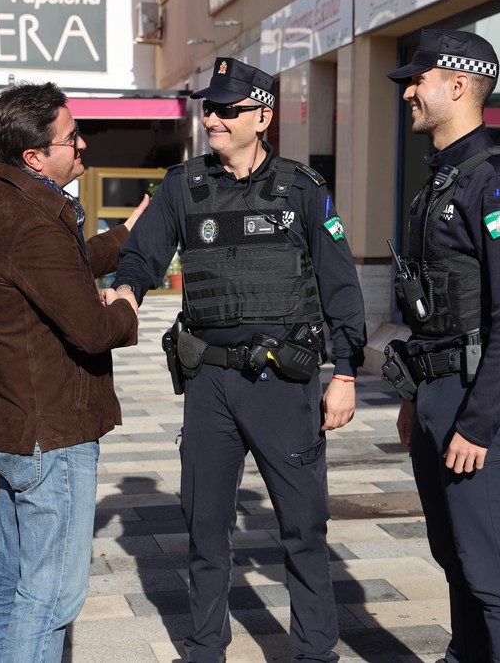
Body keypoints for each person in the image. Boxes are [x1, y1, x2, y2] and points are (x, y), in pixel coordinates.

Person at [109, 57, 366, 663]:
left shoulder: (302, 190)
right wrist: (127, 288)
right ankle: (204, 650)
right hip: (210, 383)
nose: (213, 119)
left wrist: (346, 374)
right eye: (209, 108)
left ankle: (313, 652)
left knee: (303, 530)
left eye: (228, 109)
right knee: (204, 531)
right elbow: (143, 254)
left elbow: (341, 285)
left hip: (283, 380)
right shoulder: (181, 186)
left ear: (264, 116)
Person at [0, 82, 147, 663]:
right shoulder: (34, 223)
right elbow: (91, 329)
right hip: (52, 438)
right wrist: (123, 306)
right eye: (72, 138)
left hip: (17, 429)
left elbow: (55, 274)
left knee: (9, 580)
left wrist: (121, 238)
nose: (82, 144)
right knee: (50, 599)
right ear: (35, 157)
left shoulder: (10, 206)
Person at [386, 30, 500, 663]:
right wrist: (413, 398)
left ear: (456, 85)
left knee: (492, 569)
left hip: (480, 401)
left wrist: (477, 424)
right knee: (454, 557)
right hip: (437, 396)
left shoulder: (499, 185)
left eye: (416, 82)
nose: (407, 94)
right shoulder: (438, 186)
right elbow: (433, 316)